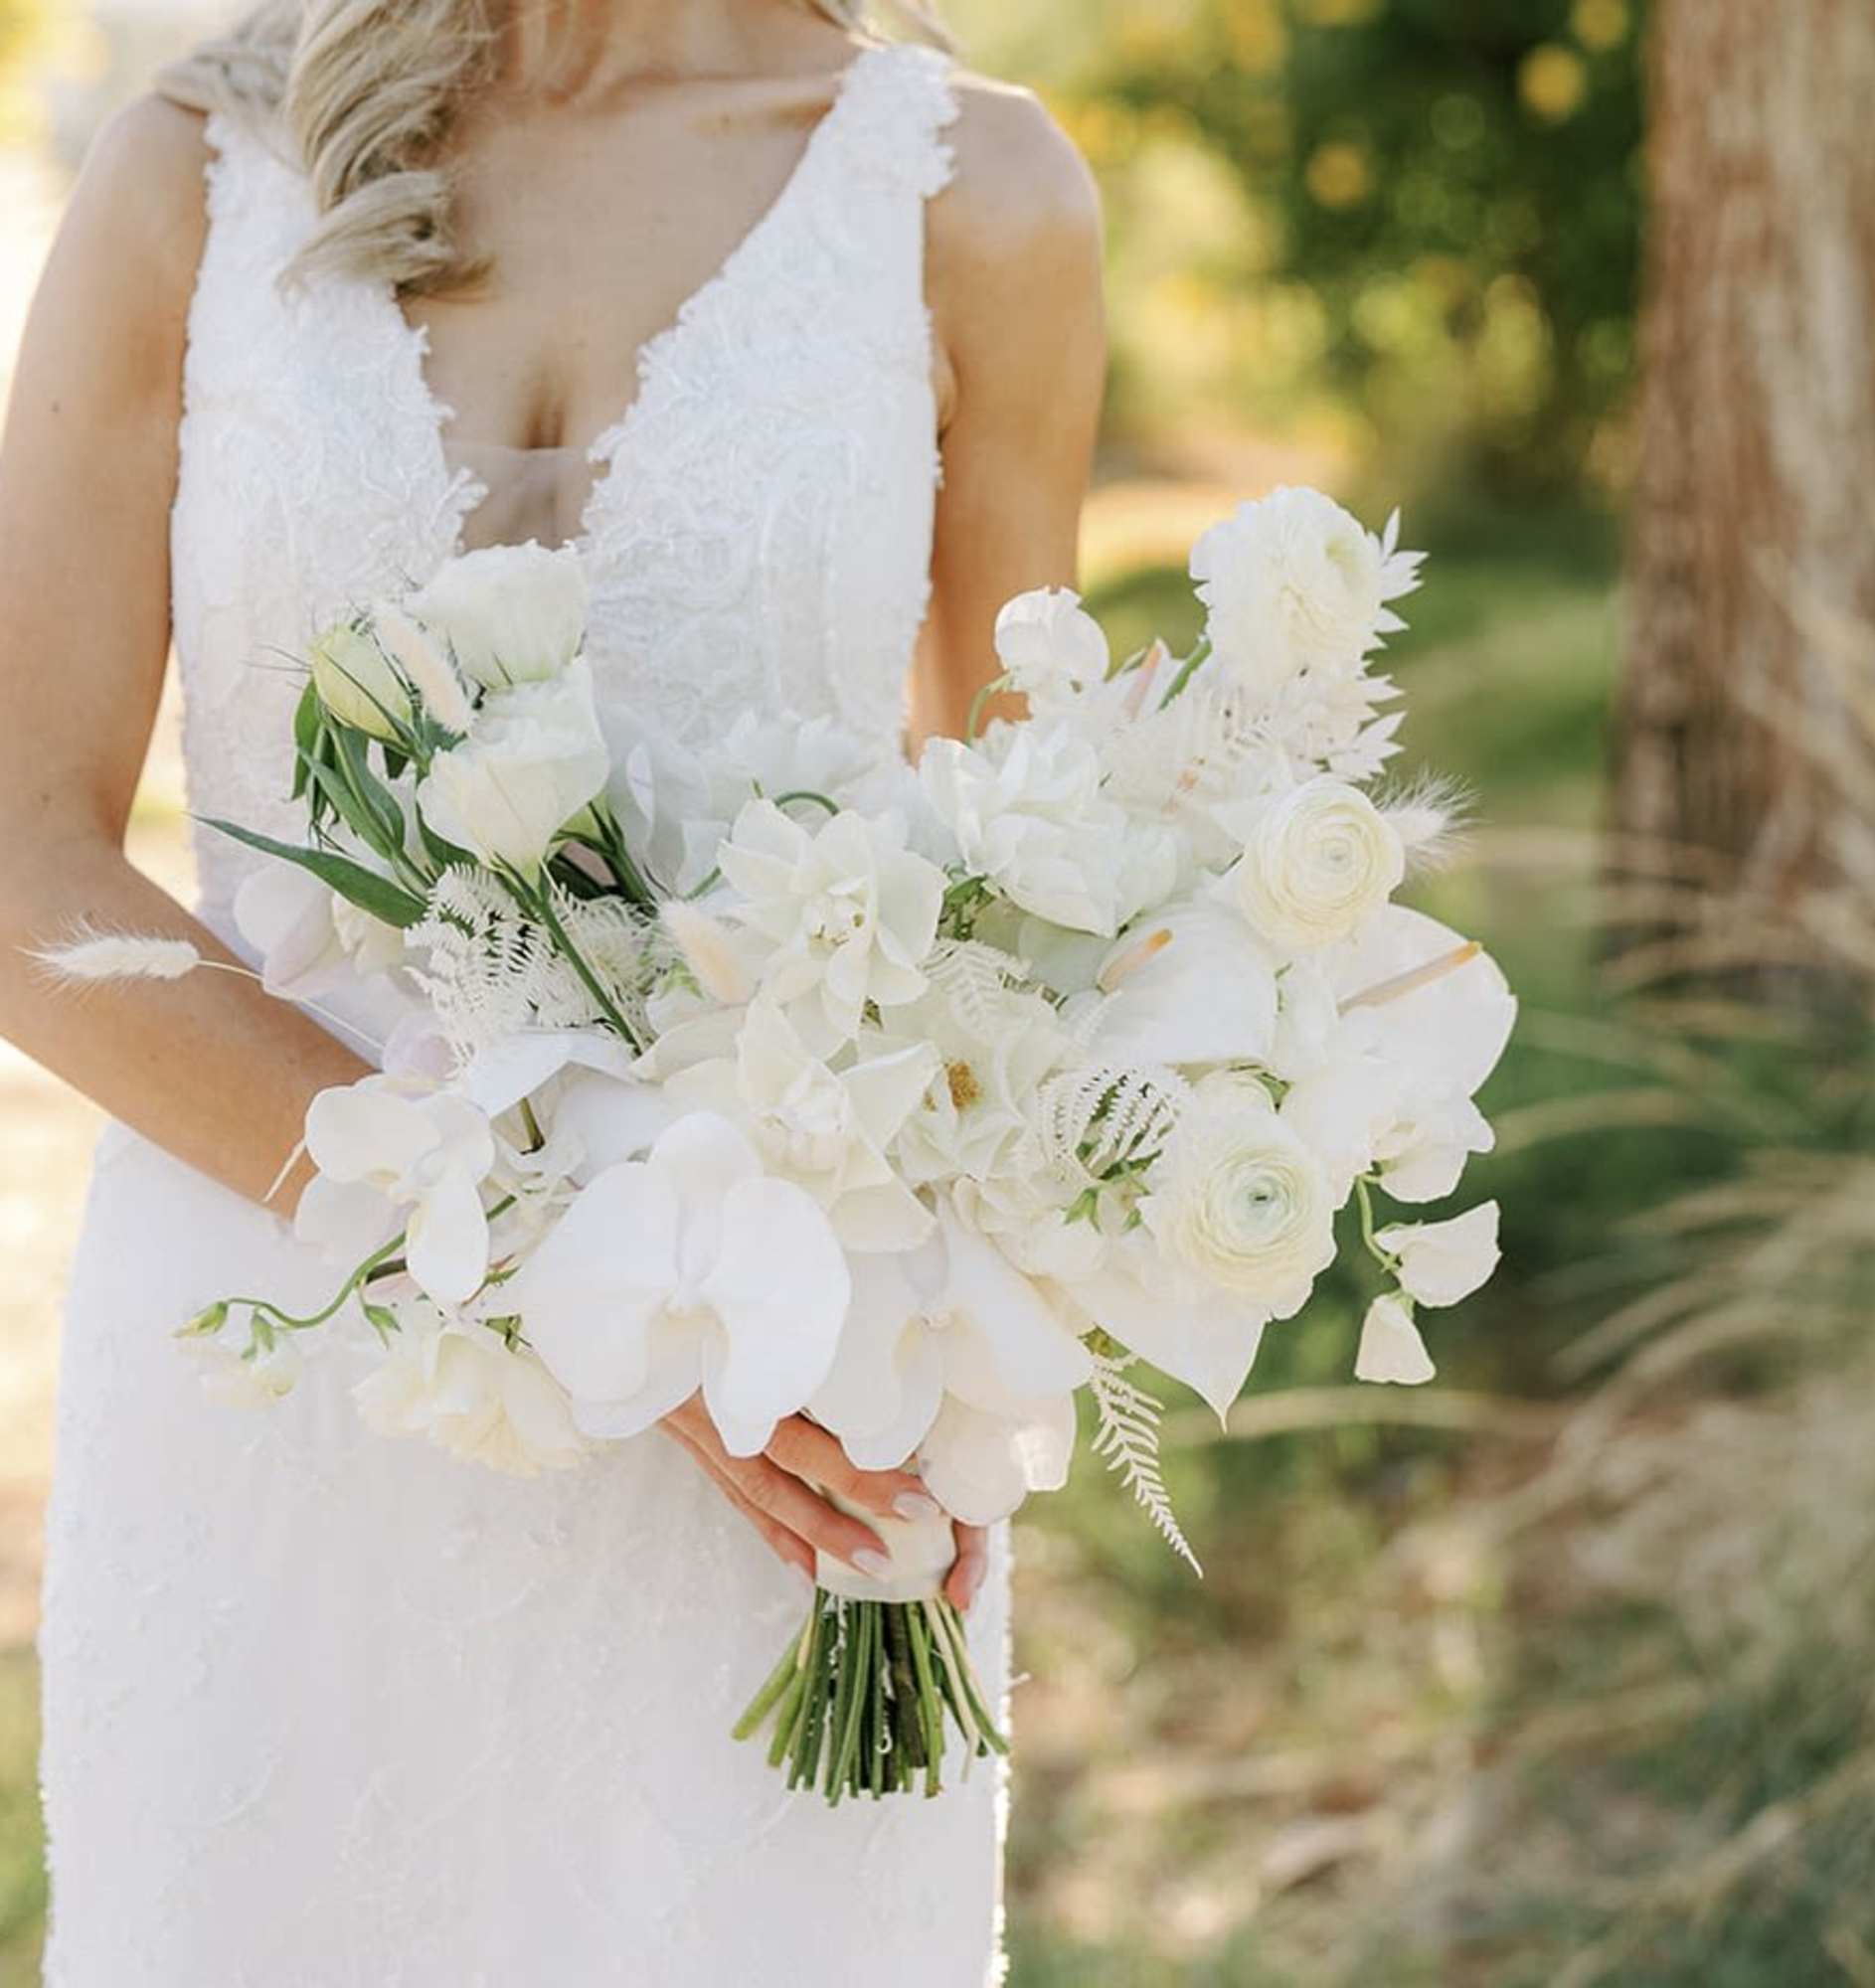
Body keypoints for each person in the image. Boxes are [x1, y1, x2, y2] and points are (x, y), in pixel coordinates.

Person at [0, 0, 1104, 1977]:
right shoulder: (199, 163)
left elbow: (1022, 863)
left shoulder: (969, 190)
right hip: (283, 1369)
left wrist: (991, 1311)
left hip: (783, 1411)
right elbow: (20, 865)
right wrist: (549, 1251)